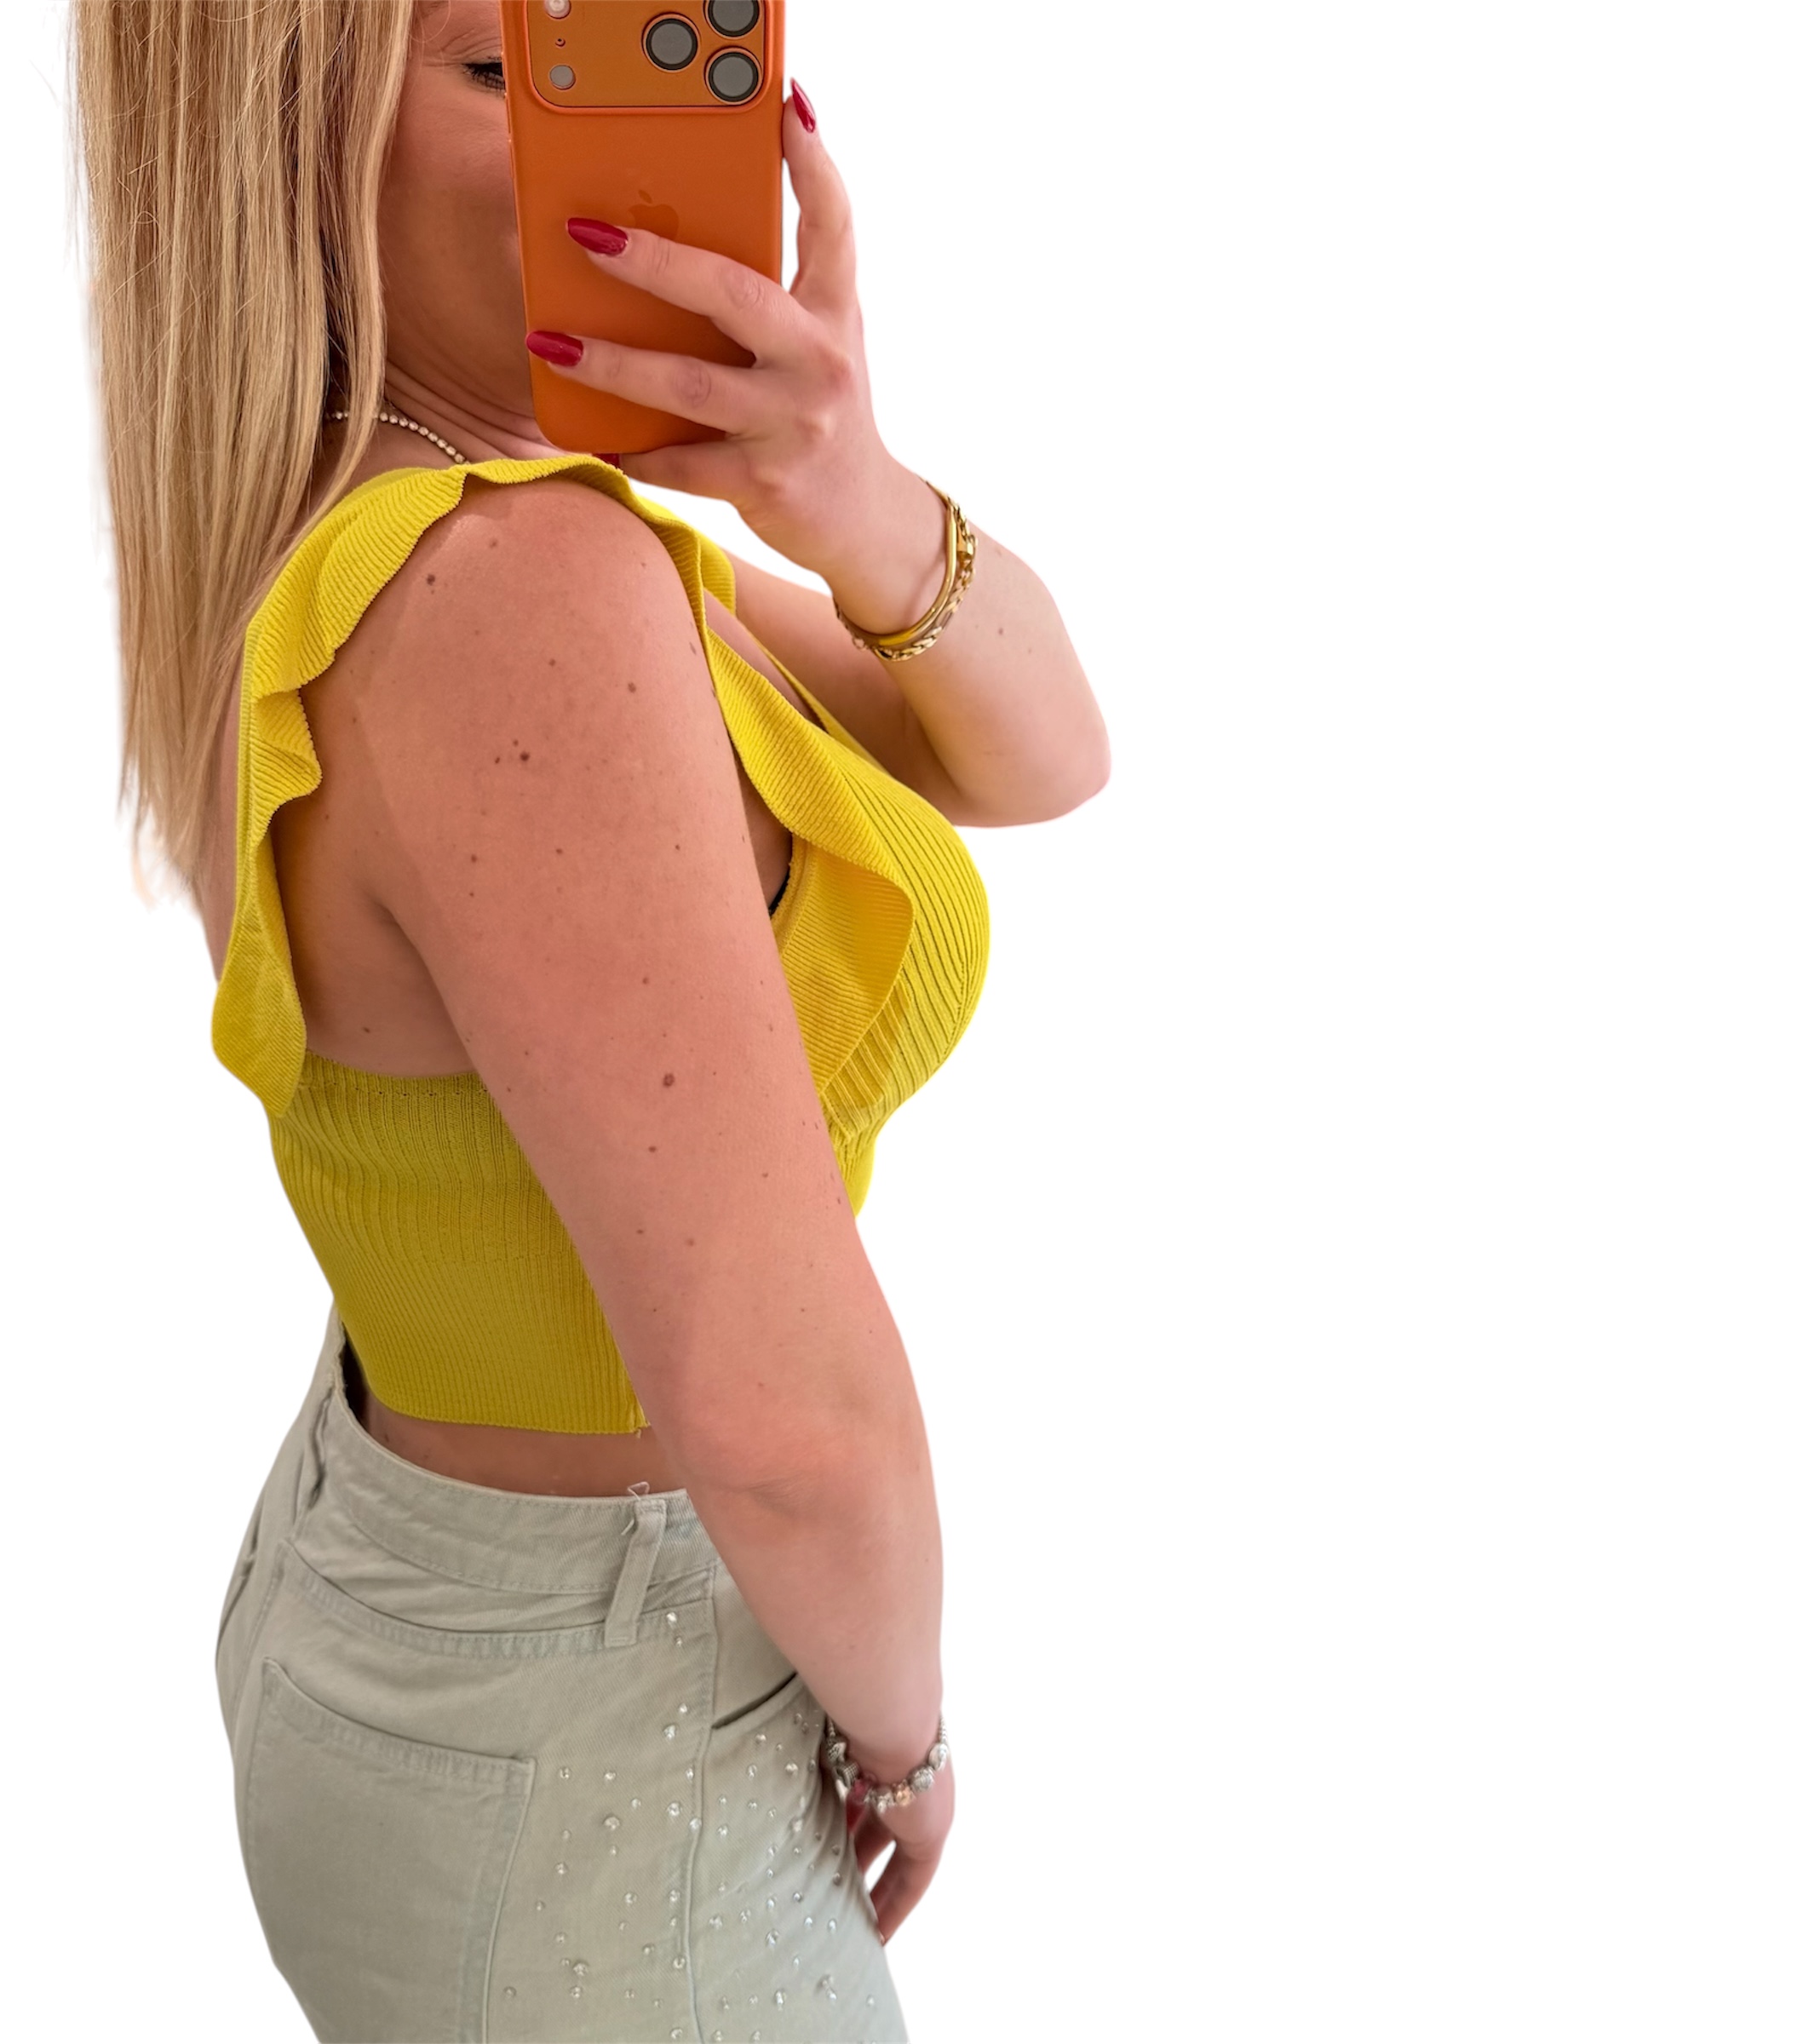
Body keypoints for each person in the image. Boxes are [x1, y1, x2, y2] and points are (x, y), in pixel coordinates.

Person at [73, 3, 1107, 2038]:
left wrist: (850, 491)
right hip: (599, 1735)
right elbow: (787, 1428)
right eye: (502, 69)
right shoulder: (518, 588)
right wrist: (903, 1742)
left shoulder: (412, 524)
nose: (616, 130)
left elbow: (1048, 753)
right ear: (288, 140)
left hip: (420, 1591)